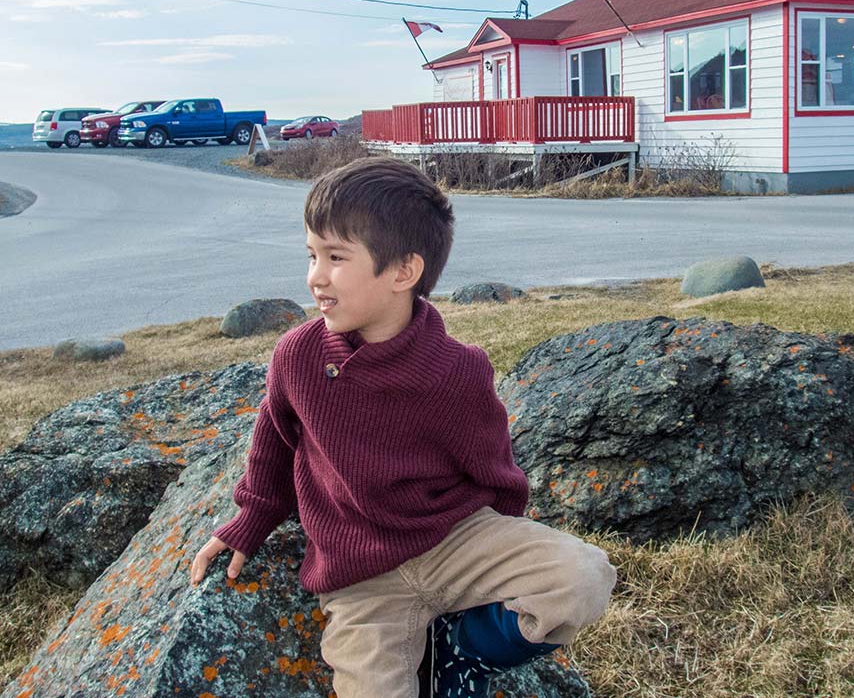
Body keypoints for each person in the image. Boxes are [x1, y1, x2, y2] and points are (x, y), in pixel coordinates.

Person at [189, 157, 616, 698]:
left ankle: (462, 654)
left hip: (454, 541)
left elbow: (495, 470)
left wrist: (499, 553)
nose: (315, 276)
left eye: (336, 257)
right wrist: (249, 521)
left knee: (582, 577)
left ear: (402, 272)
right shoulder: (297, 355)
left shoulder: (458, 370)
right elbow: (273, 442)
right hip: (360, 577)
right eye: (312, 255)